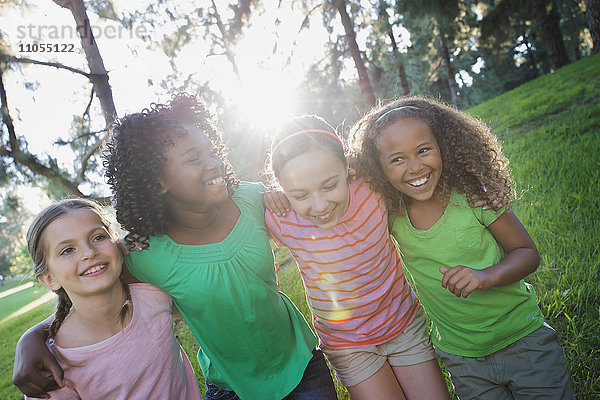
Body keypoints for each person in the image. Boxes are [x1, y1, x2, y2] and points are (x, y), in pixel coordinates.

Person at [13, 94, 337, 400]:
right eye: (194, 159)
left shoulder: (253, 200)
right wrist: (34, 338)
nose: (214, 163)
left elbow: (321, 198)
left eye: (212, 151)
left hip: (302, 366)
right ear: (157, 182)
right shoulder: (144, 254)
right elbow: (93, 297)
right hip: (230, 387)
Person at [348, 96, 574, 399]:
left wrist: (487, 276)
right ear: (378, 169)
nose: (415, 167)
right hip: (462, 358)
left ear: (444, 146)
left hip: (524, 341)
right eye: (397, 159)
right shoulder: (392, 216)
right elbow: (341, 196)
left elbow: (527, 254)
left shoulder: (472, 198)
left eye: (424, 150)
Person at [263, 115, 450, 400]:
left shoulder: (372, 186)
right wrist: (266, 197)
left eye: (329, 185)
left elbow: (413, 163)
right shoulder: (281, 217)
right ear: (282, 188)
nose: (320, 205)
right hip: (348, 345)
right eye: (300, 194)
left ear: (348, 166)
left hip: (403, 324)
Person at [21, 198, 202, 400]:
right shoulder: (53, 368)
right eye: (67, 250)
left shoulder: (154, 296)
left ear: (117, 244)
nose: (89, 253)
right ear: (49, 278)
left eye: (98, 237)